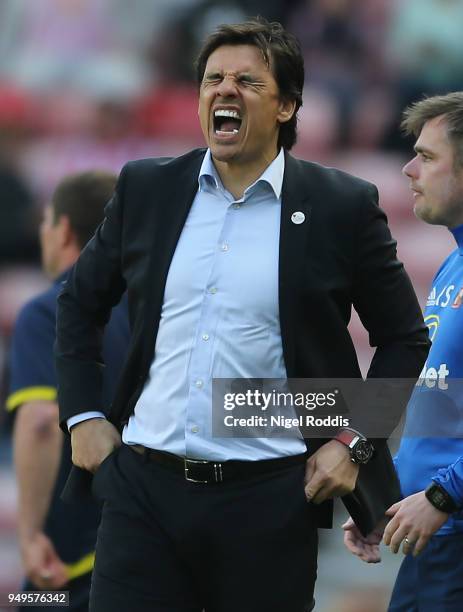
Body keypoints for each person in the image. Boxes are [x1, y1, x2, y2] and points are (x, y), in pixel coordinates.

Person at [55, 18, 429, 612]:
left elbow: (405, 340)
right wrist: (80, 415)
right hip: (142, 492)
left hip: (269, 500)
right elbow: (77, 302)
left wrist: (352, 441)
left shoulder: (341, 206)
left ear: (286, 106)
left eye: (247, 82)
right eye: (212, 79)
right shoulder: (148, 188)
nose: (224, 90)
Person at [343, 92, 463, 611]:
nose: (410, 170)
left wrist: (442, 495)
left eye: (429, 156)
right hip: (436, 536)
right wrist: (391, 501)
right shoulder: (452, 267)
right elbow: (445, 411)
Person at [6, 171, 129, 611]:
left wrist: (29, 534)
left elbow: (41, 422)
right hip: (153, 555)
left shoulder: (47, 311)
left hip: (68, 564)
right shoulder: (163, 310)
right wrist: (350, 439)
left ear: (61, 231)